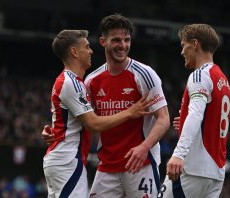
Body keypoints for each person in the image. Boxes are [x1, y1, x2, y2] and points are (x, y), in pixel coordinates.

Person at [43, 14, 170, 198]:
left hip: (140, 164)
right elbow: (87, 121)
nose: (123, 45)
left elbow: (164, 119)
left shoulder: (145, 74)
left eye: (127, 40)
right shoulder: (91, 80)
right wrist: (57, 132)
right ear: (103, 41)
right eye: (116, 40)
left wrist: (144, 147)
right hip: (107, 167)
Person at [160, 24, 230, 198]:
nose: (182, 51)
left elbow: (196, 114)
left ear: (195, 44)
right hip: (216, 172)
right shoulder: (222, 78)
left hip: (194, 168)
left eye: (183, 45)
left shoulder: (200, 75)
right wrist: (184, 121)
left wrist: (178, 154)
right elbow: (210, 117)